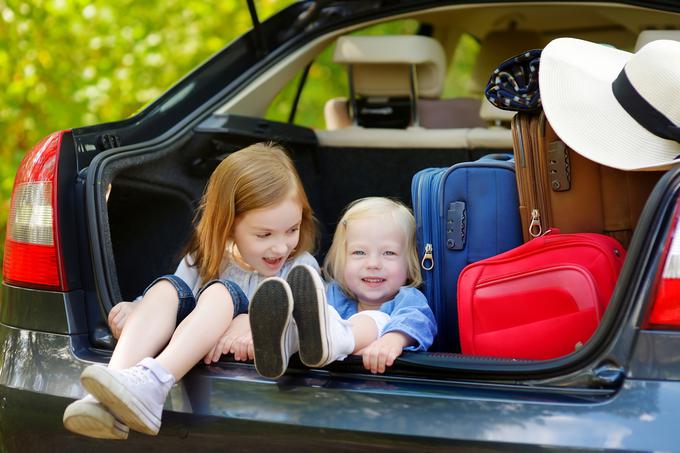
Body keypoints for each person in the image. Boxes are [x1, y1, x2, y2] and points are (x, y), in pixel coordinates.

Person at [62, 142, 318, 440]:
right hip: (196, 368)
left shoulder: (300, 268)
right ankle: (105, 396)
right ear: (229, 224)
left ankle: (154, 384)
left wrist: (257, 322)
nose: (281, 246)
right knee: (166, 287)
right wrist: (138, 308)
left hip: (254, 397)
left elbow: (315, 324)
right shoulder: (204, 258)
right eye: (264, 235)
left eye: (292, 229)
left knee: (222, 292)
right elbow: (175, 298)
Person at [250, 197, 436, 377]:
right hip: (325, 386)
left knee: (376, 318)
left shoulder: (407, 298)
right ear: (342, 260)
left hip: (381, 388)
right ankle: (283, 343)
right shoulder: (334, 294)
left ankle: (331, 340)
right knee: (317, 312)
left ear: (410, 263)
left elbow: (419, 321)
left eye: (389, 252)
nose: (373, 264)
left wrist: (392, 340)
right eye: (359, 252)